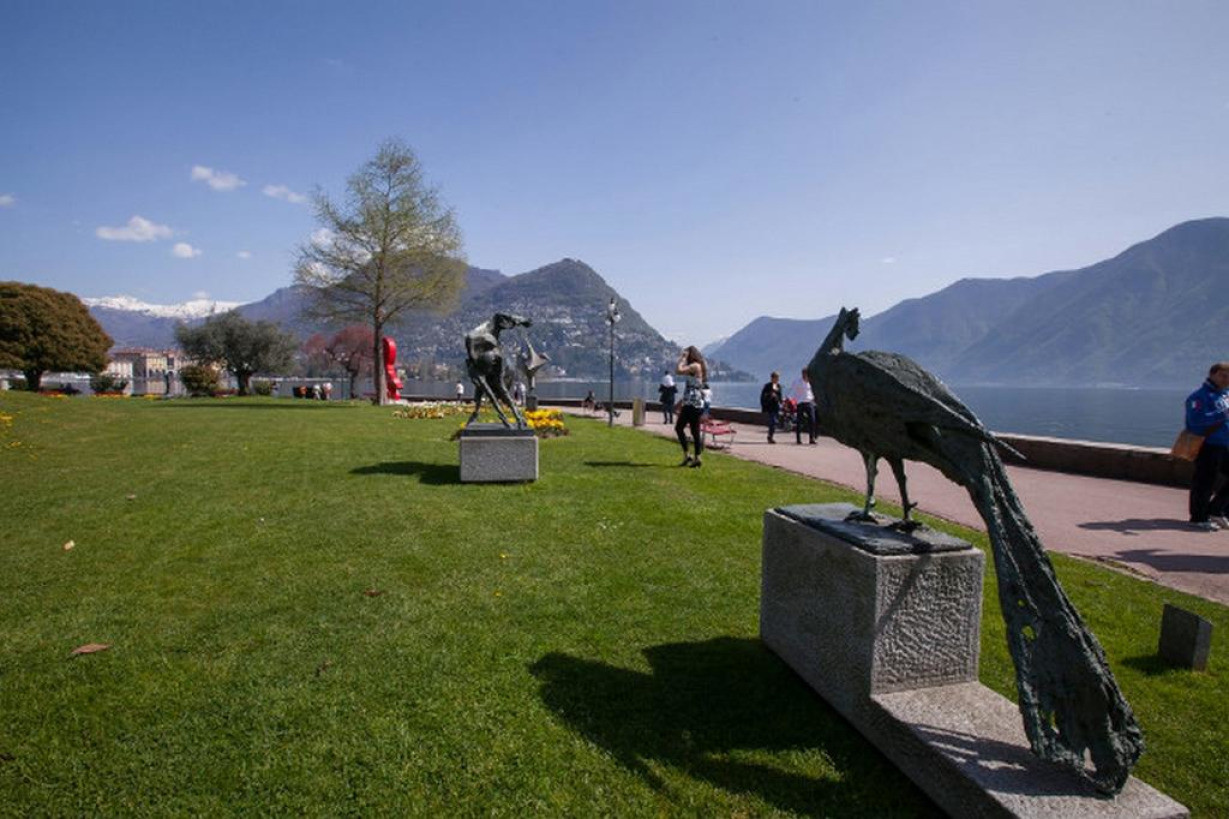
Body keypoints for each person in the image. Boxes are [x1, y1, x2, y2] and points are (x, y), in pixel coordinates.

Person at [1186, 362, 1229, 530]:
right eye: (1223, 376)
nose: (1226, 380)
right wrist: (1222, 413)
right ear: (1212, 374)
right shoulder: (1198, 397)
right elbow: (1196, 422)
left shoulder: (1226, 395)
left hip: (1225, 444)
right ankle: (1198, 517)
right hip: (1208, 445)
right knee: (1204, 482)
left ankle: (1217, 510)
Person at [675, 346, 707, 468]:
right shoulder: (697, 366)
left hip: (691, 403)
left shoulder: (695, 366)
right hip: (694, 402)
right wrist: (681, 402)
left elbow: (678, 370)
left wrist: (682, 358)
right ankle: (696, 458)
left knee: (679, 428)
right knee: (694, 431)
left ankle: (688, 455)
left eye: (687, 354)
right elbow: (692, 387)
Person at [790, 368, 817, 445]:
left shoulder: (811, 382)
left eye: (806, 373)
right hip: (800, 402)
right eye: (804, 373)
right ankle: (798, 439)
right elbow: (793, 391)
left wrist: (814, 399)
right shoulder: (797, 382)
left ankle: (811, 438)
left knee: (812, 420)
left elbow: (813, 391)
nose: (805, 375)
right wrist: (791, 399)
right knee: (799, 421)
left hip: (809, 402)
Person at [760, 371, 783, 443]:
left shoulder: (779, 386)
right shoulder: (767, 386)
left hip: (776, 406)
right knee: (773, 421)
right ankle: (770, 437)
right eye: (776, 378)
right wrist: (770, 395)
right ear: (772, 378)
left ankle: (770, 436)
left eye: (778, 378)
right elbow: (763, 396)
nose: (777, 379)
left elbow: (780, 396)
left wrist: (782, 402)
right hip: (770, 406)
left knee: (774, 422)